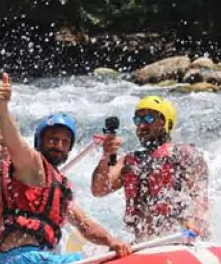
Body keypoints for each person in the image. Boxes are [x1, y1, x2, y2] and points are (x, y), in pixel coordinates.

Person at [0, 73, 130, 264]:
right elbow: (15, 142)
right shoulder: (32, 164)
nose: (59, 146)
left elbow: (85, 225)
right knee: (89, 263)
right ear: (40, 141)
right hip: (20, 260)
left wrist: (112, 241)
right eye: (53, 139)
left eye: (65, 142)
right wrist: (3, 107)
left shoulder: (59, 185)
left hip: (39, 260)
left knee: (99, 255)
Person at [90, 95, 210, 239]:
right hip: (145, 243)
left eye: (149, 119)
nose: (142, 126)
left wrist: (193, 224)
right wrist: (107, 155)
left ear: (167, 123)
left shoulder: (185, 154)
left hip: (181, 238)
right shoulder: (129, 161)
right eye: (138, 120)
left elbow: (199, 196)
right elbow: (99, 190)